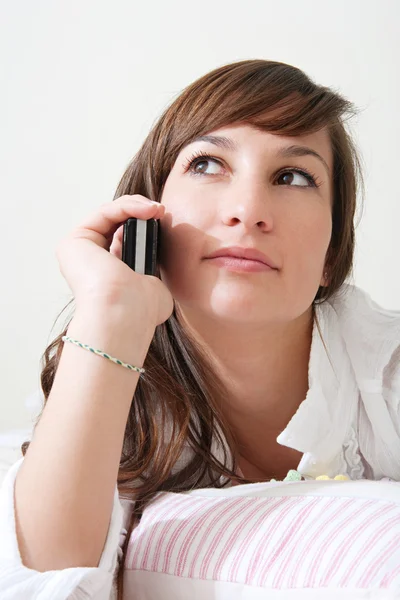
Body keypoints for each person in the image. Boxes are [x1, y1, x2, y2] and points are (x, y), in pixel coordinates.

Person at [1, 58, 400, 600]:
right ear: (146, 216)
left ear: (332, 256)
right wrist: (110, 314)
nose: (248, 210)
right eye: (209, 165)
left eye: (293, 176)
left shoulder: (387, 369)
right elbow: (48, 577)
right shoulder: (112, 374)